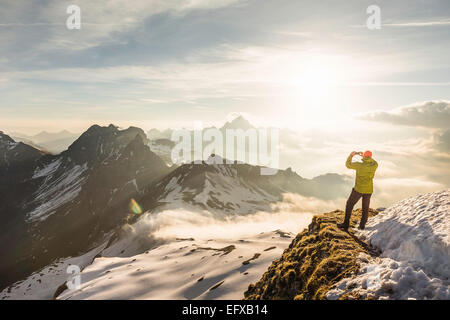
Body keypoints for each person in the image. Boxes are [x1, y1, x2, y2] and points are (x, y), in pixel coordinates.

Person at [339, 150, 378, 232]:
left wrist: (351, 155)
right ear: (370, 157)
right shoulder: (374, 165)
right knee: (365, 208)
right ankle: (362, 226)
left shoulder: (359, 165)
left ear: (364, 156)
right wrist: (365, 157)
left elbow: (348, 165)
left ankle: (346, 224)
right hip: (369, 190)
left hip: (359, 189)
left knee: (349, 204)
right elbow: (374, 161)